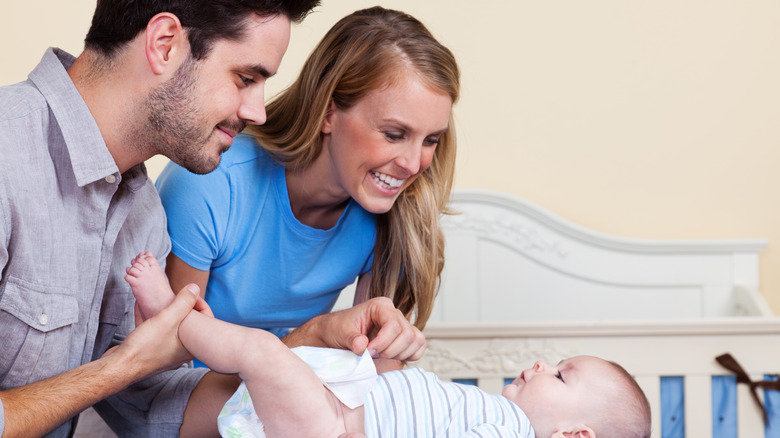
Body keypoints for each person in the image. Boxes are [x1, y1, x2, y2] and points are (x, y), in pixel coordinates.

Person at [0, 1, 429, 437]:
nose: (258, 112)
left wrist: (301, 344)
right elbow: (128, 375)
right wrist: (123, 366)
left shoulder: (141, 213)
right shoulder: (7, 157)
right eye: (246, 78)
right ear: (164, 45)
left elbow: (151, 408)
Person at [155, 6, 460, 358]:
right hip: (190, 402)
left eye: (431, 140)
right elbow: (164, 368)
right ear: (329, 113)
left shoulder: (399, 217)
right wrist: (312, 336)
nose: (412, 164)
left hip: (292, 401)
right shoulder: (212, 183)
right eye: (394, 134)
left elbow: (373, 371)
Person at [126, 252, 652, 438]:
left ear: (575, 434)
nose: (541, 365)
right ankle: (187, 323)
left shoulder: (507, 431)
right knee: (262, 361)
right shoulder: (497, 415)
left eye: (561, 374)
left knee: (261, 354)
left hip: (330, 427)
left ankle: (171, 320)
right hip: (336, 405)